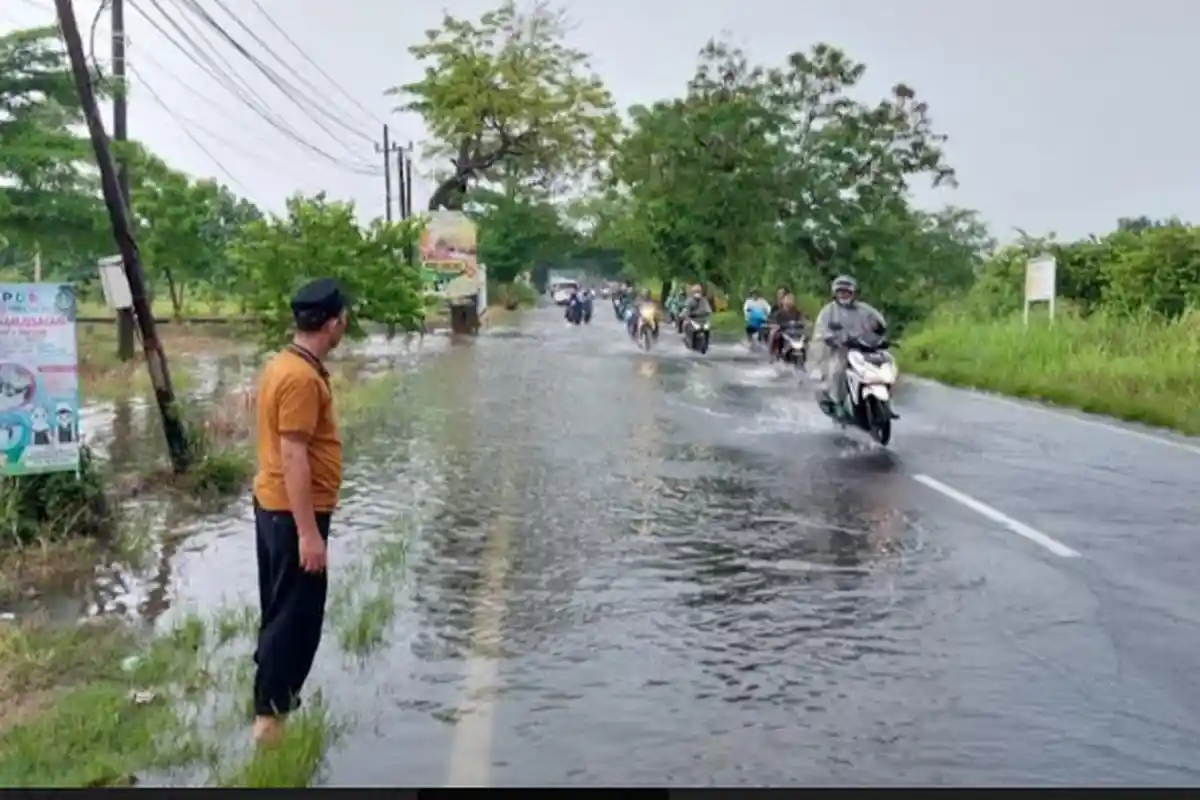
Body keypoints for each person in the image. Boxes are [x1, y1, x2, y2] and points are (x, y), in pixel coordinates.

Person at [251, 277, 348, 746]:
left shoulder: (286, 364)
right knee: (297, 617)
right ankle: (269, 719)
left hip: (275, 508)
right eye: (343, 318)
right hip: (291, 515)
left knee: (281, 607)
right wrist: (310, 535)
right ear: (334, 323)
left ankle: (272, 700)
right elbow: (294, 455)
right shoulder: (301, 378)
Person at [812, 275, 887, 416]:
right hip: (840, 350)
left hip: (865, 349)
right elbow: (821, 330)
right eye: (840, 292)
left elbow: (880, 324)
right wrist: (831, 338)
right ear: (835, 293)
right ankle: (838, 402)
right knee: (838, 371)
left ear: (853, 293)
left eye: (847, 292)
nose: (843, 294)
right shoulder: (828, 312)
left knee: (883, 365)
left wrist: (878, 329)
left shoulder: (866, 310)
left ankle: (881, 398)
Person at [767, 291, 805, 360]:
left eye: (792, 299)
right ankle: (774, 353)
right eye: (788, 299)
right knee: (774, 334)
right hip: (783, 332)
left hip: (795, 332)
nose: (790, 301)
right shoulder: (778, 313)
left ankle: (804, 353)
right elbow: (772, 322)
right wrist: (775, 325)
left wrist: (803, 323)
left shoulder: (797, 312)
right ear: (783, 300)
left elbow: (802, 320)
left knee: (805, 337)